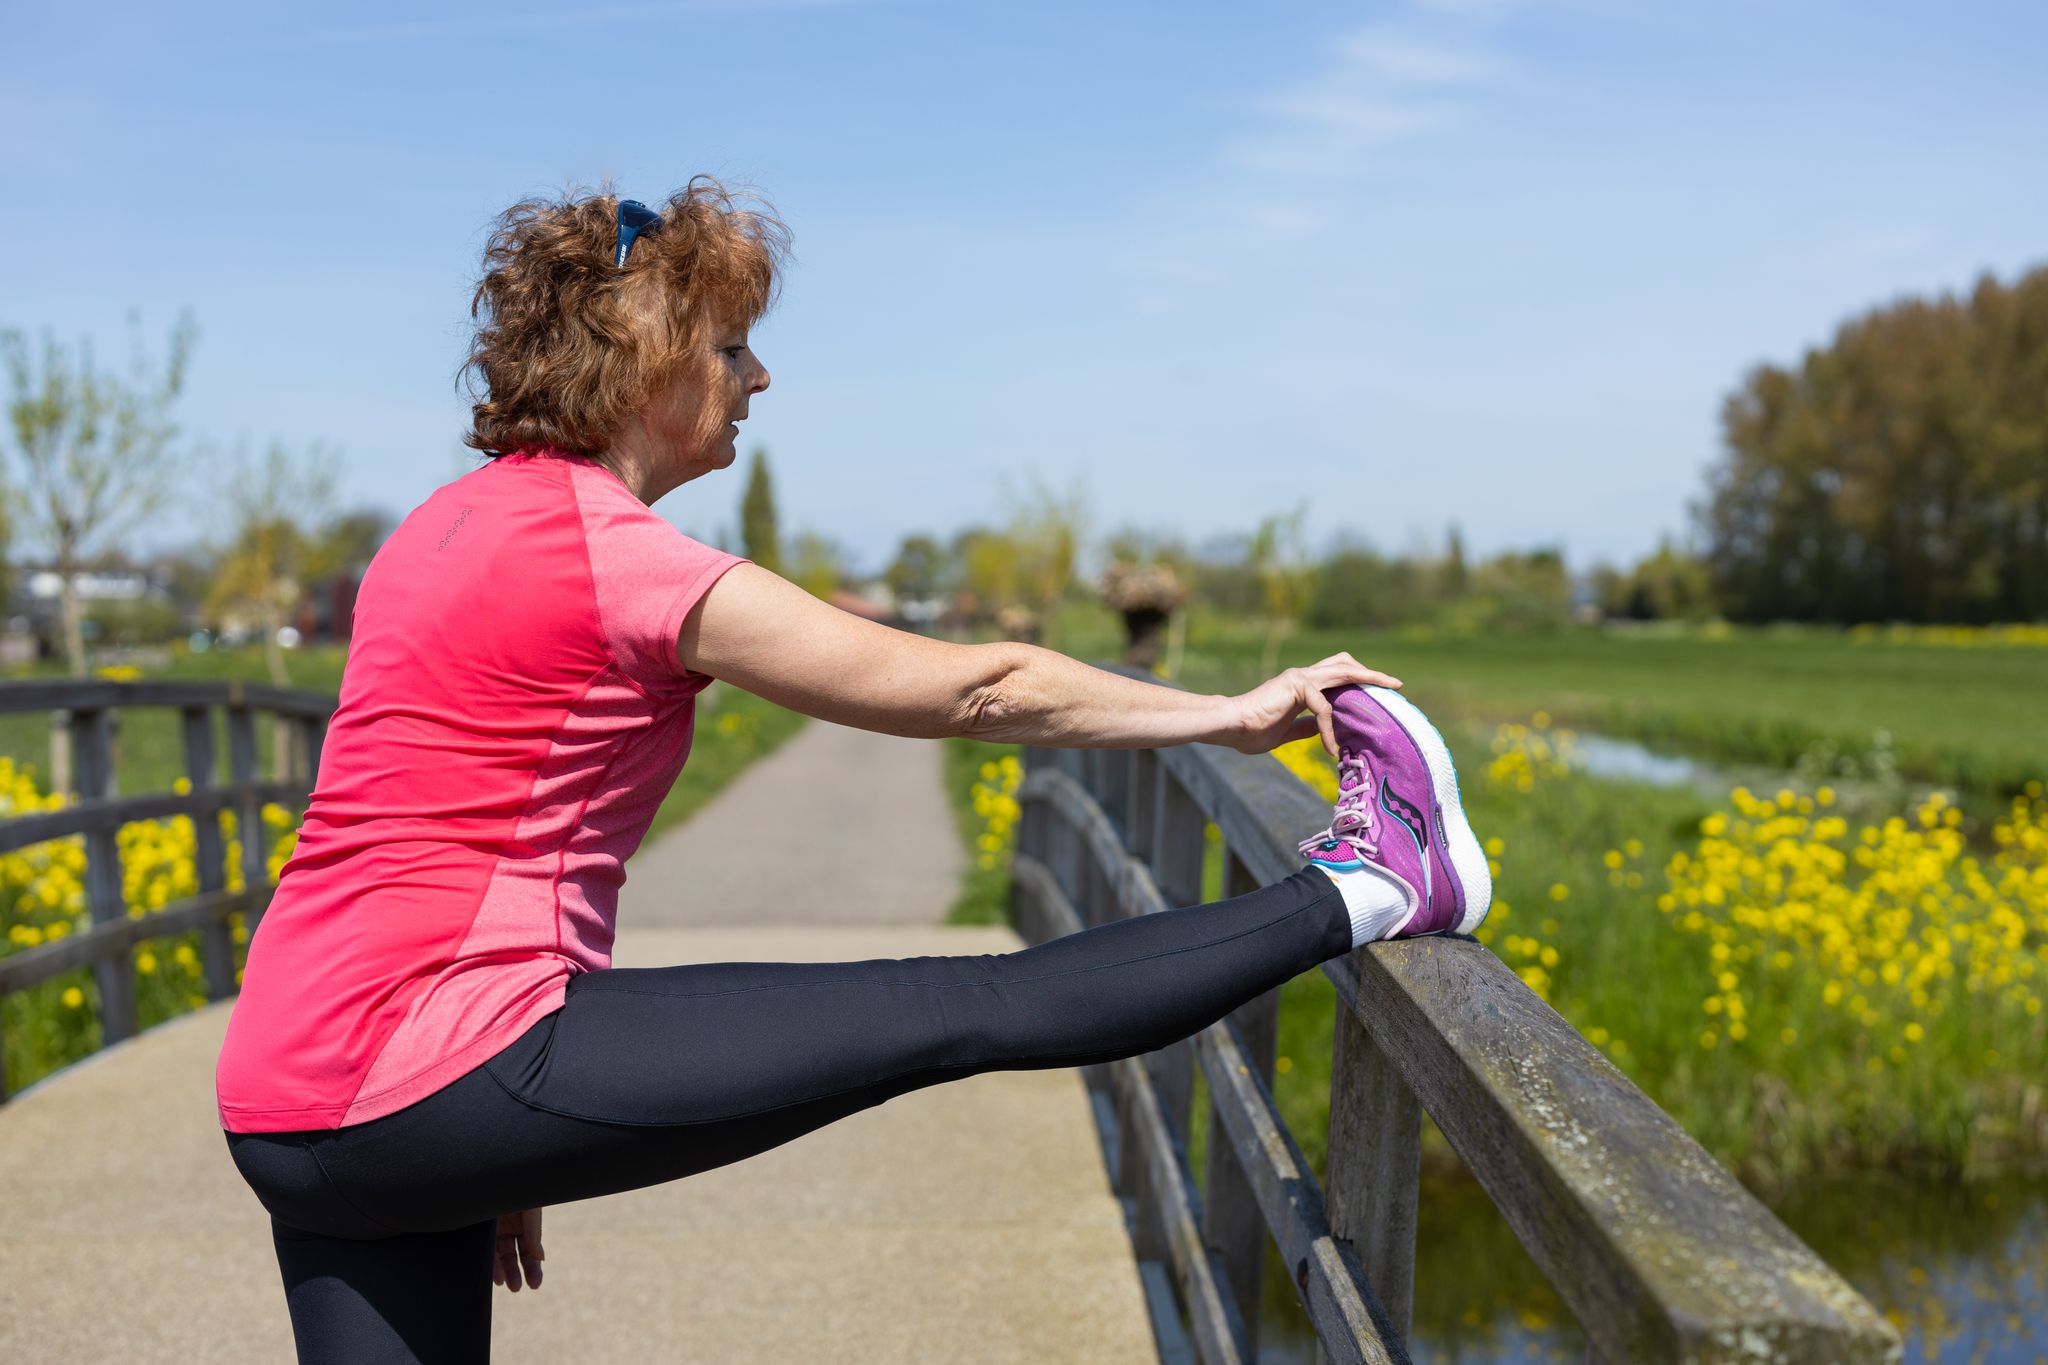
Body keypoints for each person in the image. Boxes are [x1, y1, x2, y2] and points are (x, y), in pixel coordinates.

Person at [216, 178, 1493, 1365]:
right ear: (644, 362)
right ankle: (1378, 883)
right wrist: (1228, 714)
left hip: (288, 1092)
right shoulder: (616, 555)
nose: (757, 376)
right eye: (728, 349)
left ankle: (1374, 879)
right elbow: (975, 688)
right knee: (957, 1010)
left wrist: (483, 1152)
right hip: (445, 1069)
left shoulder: (433, 531)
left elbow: (411, 818)